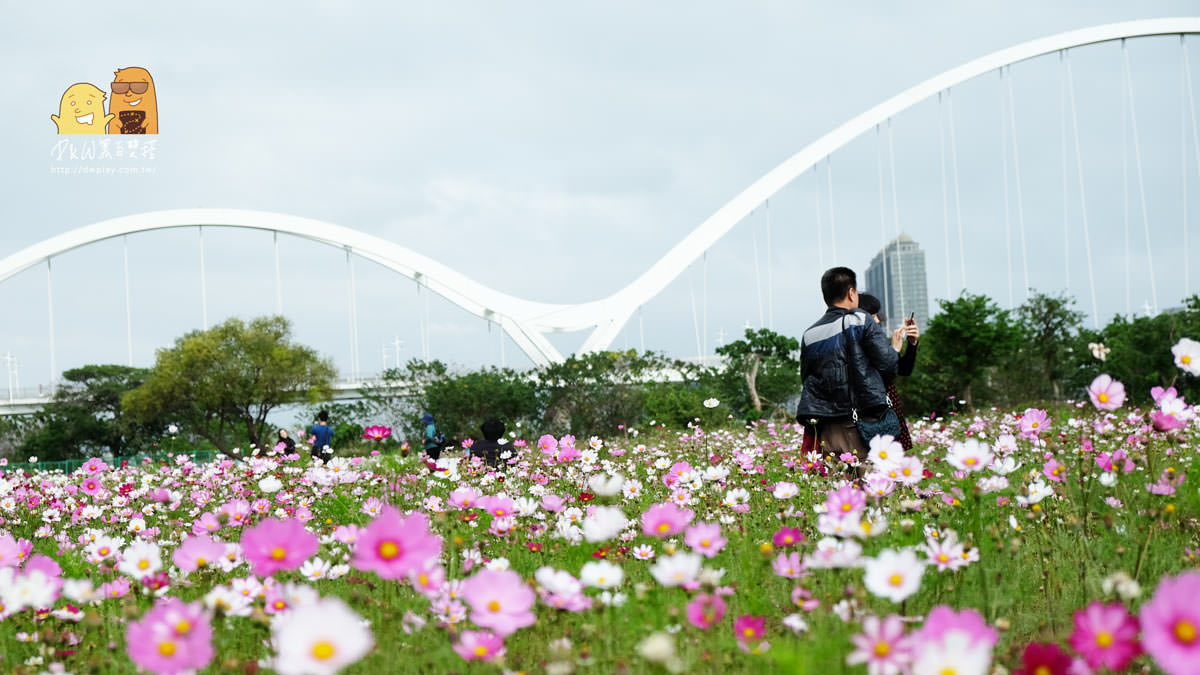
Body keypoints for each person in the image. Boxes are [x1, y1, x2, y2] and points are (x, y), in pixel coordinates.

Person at [794, 267, 899, 467]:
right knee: (870, 488)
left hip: (826, 427)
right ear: (851, 293)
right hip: (861, 423)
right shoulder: (859, 319)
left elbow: (807, 377)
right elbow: (889, 366)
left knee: (837, 490)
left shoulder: (810, 333)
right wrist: (894, 349)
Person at [858, 293, 921, 452]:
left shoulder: (878, 342)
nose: (878, 320)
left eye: (877, 315)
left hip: (889, 411)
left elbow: (904, 370)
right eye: (872, 315)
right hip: (875, 413)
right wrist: (893, 350)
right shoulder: (855, 347)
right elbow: (876, 377)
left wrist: (912, 345)